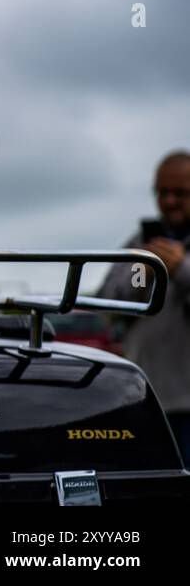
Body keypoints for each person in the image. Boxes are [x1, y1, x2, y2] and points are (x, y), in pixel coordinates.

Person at [99, 150, 190, 463]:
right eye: (162, 192)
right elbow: (108, 302)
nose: (169, 201)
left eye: (180, 193)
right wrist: (147, 271)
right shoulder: (140, 245)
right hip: (146, 402)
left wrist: (181, 269)